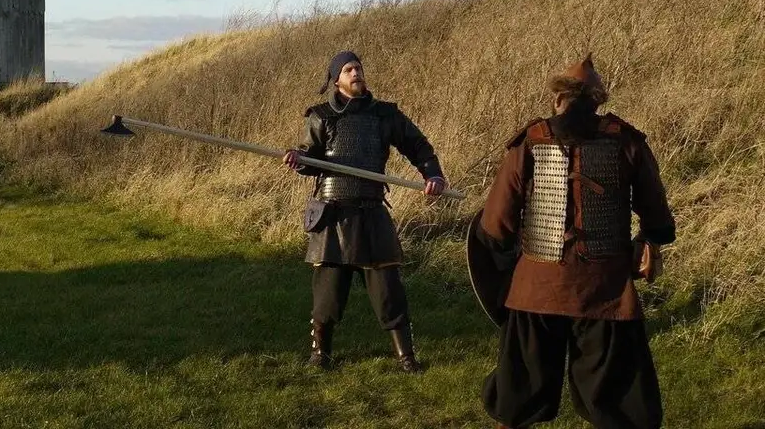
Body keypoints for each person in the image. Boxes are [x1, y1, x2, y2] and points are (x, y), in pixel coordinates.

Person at [474, 54, 676, 428]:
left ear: (557, 100)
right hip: (606, 290)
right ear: (598, 101)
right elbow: (656, 213)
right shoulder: (627, 141)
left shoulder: (529, 143)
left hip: (537, 290)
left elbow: (497, 224)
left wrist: (498, 246)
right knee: (617, 403)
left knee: (519, 394)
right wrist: (650, 238)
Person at [282, 50, 448, 372]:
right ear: (336, 79)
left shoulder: (385, 115)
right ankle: (321, 355)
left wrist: (433, 174)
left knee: (389, 292)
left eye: (358, 67)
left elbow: (418, 146)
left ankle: (406, 357)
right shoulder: (320, 116)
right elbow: (308, 157)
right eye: (348, 69)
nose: (356, 72)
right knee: (328, 297)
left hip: (372, 214)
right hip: (333, 216)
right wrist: (297, 160)